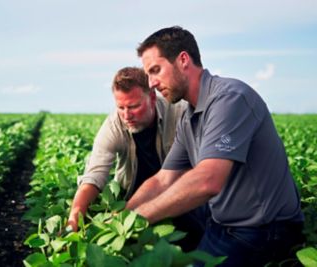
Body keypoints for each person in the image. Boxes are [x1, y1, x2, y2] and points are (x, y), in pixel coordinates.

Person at [126, 26, 304, 266]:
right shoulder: (189, 117)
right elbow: (163, 179)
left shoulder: (230, 98)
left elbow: (207, 181)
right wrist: (123, 217)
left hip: (262, 230)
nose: (152, 83)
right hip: (221, 219)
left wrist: (140, 216)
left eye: (155, 71)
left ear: (183, 60)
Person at [67, 66, 186, 232]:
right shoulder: (113, 125)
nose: (127, 115)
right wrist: (75, 214)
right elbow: (94, 176)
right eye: (121, 107)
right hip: (131, 200)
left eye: (134, 106)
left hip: (178, 197)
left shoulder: (180, 112)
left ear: (152, 97)